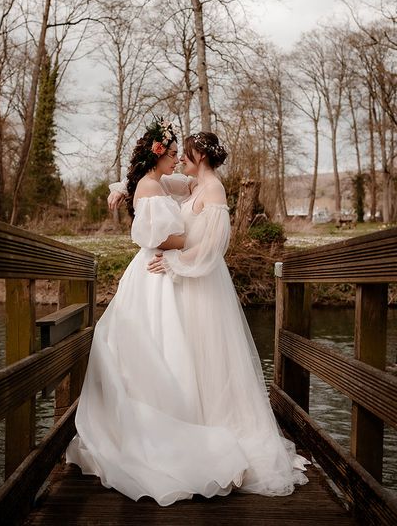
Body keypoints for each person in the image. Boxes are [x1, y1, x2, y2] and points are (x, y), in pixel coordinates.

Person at [67, 119, 309, 506]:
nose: (180, 161)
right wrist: (118, 188)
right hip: (178, 277)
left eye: (185, 155)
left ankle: (203, 422)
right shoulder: (193, 183)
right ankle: (174, 418)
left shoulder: (213, 190)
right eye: (174, 153)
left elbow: (213, 246)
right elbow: (150, 185)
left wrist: (175, 261)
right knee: (176, 348)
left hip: (197, 279)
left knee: (200, 351)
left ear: (199, 158)